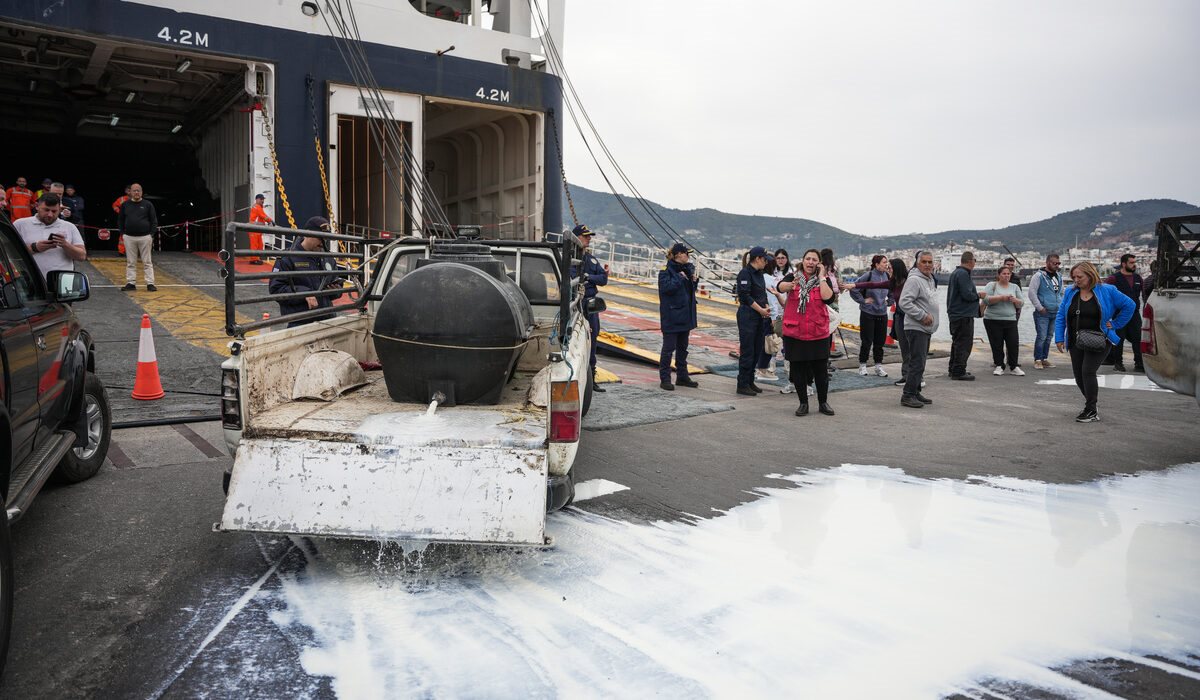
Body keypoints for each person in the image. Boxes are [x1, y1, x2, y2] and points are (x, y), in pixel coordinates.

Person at [1054, 262, 1135, 423]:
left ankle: (1091, 410)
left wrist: (1116, 324)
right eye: (1074, 277)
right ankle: (1091, 404)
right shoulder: (1070, 292)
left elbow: (1130, 305)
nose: (1076, 280)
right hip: (1076, 340)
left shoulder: (1107, 290)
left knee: (1087, 372)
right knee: (1078, 376)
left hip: (1100, 339)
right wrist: (1059, 338)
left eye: (1080, 277)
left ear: (1090, 275)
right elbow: (1061, 316)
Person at [777, 249, 836, 416]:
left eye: (814, 259)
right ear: (802, 261)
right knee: (798, 370)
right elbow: (780, 287)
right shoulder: (793, 277)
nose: (810, 262)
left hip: (818, 332)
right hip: (796, 333)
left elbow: (828, 298)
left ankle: (823, 402)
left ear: (819, 263)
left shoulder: (824, 280)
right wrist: (788, 286)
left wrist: (822, 275)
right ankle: (803, 403)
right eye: (808, 259)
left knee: (820, 371)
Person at [269, 216, 342, 328]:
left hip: (328, 319)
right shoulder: (288, 257)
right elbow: (276, 289)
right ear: (307, 234)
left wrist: (336, 289)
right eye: (320, 238)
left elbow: (336, 285)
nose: (323, 243)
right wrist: (304, 294)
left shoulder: (328, 258)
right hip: (300, 322)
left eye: (326, 238)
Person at [897, 251, 938, 408]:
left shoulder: (929, 280)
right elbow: (904, 302)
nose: (927, 265)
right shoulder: (914, 280)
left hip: (926, 328)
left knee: (921, 361)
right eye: (924, 262)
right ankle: (907, 395)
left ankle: (915, 391)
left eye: (930, 262)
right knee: (917, 362)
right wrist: (922, 315)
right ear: (918, 263)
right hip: (916, 327)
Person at [657, 243, 700, 391]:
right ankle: (665, 378)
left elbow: (689, 292)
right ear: (678, 255)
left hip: (685, 316)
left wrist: (693, 280)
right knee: (668, 349)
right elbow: (666, 289)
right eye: (686, 253)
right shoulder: (665, 271)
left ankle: (682, 376)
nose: (688, 256)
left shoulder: (687, 270)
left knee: (683, 348)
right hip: (672, 316)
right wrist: (680, 278)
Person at [14, 194, 87, 280]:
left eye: (54, 211)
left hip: (61, 284)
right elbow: (9, 253)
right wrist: (34, 248)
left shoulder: (69, 227)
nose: (50, 215)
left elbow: (82, 256)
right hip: (29, 283)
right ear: (37, 206)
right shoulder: (20, 224)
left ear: (60, 210)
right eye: (46, 210)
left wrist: (65, 245)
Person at [570, 224, 608, 392]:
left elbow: (603, 278)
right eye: (586, 236)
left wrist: (588, 277)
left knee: (592, 339)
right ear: (577, 237)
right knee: (575, 340)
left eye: (589, 236)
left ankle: (591, 379)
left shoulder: (590, 259)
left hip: (591, 304)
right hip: (576, 304)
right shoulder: (569, 257)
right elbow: (571, 277)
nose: (589, 238)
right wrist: (589, 278)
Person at [735, 246, 771, 396]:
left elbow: (761, 293)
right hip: (748, 316)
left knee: (757, 350)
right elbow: (745, 296)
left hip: (759, 316)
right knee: (748, 351)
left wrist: (766, 306)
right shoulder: (745, 273)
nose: (766, 262)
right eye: (765, 259)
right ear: (757, 259)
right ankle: (742, 384)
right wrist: (761, 309)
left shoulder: (760, 274)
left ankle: (750, 381)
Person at [946, 251, 986, 380]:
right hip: (963, 314)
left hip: (956, 314)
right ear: (970, 261)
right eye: (975, 260)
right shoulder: (963, 274)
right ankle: (958, 370)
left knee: (957, 342)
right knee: (964, 344)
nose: (975, 262)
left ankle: (953, 368)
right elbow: (967, 295)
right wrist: (979, 295)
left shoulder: (956, 273)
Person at [850, 254, 891, 377]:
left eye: (886, 262)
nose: (886, 264)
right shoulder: (868, 275)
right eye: (884, 262)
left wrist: (889, 302)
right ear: (877, 264)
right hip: (868, 313)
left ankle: (878, 366)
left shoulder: (887, 276)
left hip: (882, 313)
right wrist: (863, 301)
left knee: (880, 342)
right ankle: (862, 365)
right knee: (867, 341)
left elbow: (893, 291)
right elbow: (854, 289)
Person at [1104, 253, 1144, 373]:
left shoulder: (1138, 279)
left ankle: (1139, 364)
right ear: (1123, 264)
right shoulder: (1113, 279)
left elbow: (1144, 295)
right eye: (1131, 263)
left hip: (1135, 313)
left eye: (1134, 262)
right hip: (1119, 313)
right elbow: (1105, 295)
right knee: (1119, 338)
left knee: (1138, 338)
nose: (1134, 265)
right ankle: (1118, 363)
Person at [981, 267, 1024, 376]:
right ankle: (999, 365)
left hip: (1010, 319)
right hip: (992, 319)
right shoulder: (992, 285)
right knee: (996, 344)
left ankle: (1014, 366)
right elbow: (986, 300)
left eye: (1008, 274)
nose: (1006, 276)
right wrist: (1001, 298)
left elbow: (1021, 302)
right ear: (999, 275)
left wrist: (1015, 300)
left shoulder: (1014, 287)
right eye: (1004, 274)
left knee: (1013, 343)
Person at [117, 183, 158, 291]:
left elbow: (153, 220)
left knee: (147, 261)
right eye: (134, 190)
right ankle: (131, 283)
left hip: (145, 237)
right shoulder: (125, 204)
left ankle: (150, 283)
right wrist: (123, 234)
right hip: (129, 237)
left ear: (141, 192)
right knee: (131, 262)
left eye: (138, 191)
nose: (136, 192)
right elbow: (120, 220)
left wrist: (151, 235)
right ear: (130, 192)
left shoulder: (148, 204)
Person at [1027, 253, 1064, 370]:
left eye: (1058, 263)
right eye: (1055, 263)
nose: (1057, 265)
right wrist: (1040, 307)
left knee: (1049, 336)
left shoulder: (1059, 276)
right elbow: (1031, 293)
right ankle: (1037, 359)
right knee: (1042, 336)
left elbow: (1061, 292)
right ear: (1048, 263)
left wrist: (1061, 306)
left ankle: (1044, 358)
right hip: (1043, 312)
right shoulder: (1038, 276)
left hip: (1056, 311)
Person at [756, 253, 782, 381]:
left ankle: (759, 368)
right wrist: (774, 317)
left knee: (761, 343)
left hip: (759, 313)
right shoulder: (770, 280)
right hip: (769, 315)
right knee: (769, 344)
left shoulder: (759, 277)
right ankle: (763, 370)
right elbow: (772, 300)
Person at [888, 258, 913, 387]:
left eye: (890, 267)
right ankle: (906, 375)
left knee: (911, 349)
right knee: (904, 348)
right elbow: (876, 284)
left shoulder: (908, 282)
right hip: (899, 317)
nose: (888, 269)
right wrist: (854, 285)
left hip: (909, 319)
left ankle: (915, 377)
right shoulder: (894, 282)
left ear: (896, 268)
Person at [248, 193, 273, 265]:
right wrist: (270, 221)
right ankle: (254, 260)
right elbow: (263, 216)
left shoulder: (259, 207)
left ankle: (256, 259)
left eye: (263, 199)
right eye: (261, 199)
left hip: (257, 230)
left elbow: (262, 216)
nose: (263, 201)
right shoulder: (257, 207)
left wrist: (269, 221)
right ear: (257, 199)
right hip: (253, 230)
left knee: (259, 245)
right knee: (254, 246)